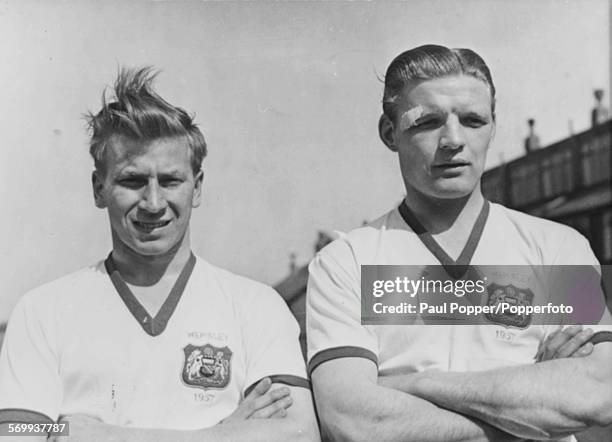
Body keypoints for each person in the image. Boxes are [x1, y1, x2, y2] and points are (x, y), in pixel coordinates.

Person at [306, 45, 612, 442]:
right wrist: (532, 403)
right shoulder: (345, 262)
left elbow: (598, 393)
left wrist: (415, 385)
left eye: (472, 120)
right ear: (389, 133)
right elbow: (357, 423)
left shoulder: (554, 247)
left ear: (493, 126)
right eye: (427, 122)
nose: (453, 140)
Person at [0, 67, 319, 442]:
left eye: (170, 181)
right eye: (132, 181)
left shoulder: (256, 306)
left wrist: (104, 436)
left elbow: (297, 433)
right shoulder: (42, 311)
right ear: (98, 188)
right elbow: (17, 431)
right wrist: (226, 434)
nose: (153, 203)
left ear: (196, 188)